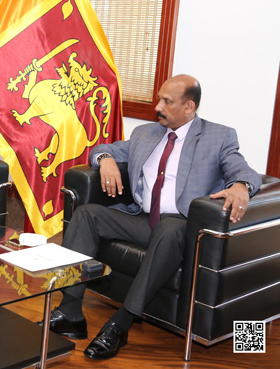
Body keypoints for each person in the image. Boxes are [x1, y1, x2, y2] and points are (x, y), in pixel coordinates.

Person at [46, 74, 262, 360]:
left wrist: (240, 185)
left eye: (166, 102)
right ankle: (71, 311)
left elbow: (243, 170)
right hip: (143, 219)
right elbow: (105, 148)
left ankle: (120, 325)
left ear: (189, 107)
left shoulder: (218, 136)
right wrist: (105, 160)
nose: (158, 107)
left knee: (170, 230)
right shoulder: (146, 133)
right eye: (158, 99)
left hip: (182, 225)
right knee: (86, 215)